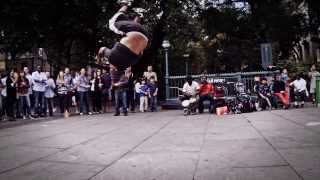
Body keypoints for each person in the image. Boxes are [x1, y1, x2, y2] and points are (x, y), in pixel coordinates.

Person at [97, 4, 149, 71]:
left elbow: (140, 52)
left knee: (129, 29)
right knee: (112, 24)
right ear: (115, 68)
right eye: (110, 67)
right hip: (134, 31)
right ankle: (127, 3)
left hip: (145, 36)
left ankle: (139, 15)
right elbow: (102, 49)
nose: (109, 65)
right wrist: (99, 60)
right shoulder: (113, 59)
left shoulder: (130, 63)